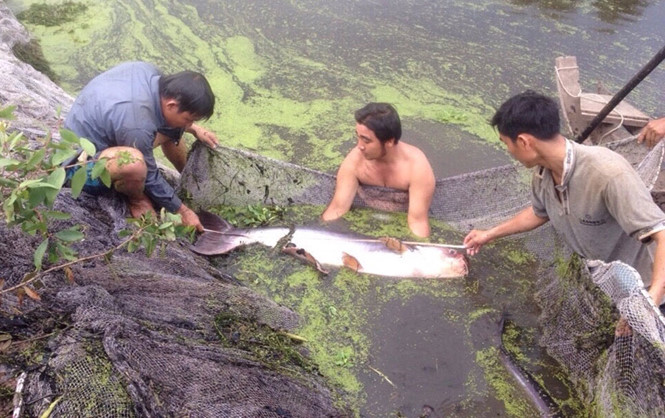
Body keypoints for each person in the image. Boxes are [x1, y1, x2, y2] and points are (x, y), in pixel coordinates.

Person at [463, 90, 665, 307]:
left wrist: (651, 299)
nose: (508, 151)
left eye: (506, 143)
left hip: (651, 289)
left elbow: (661, 233)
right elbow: (539, 212)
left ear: (523, 142)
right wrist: (489, 234)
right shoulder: (543, 173)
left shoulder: (608, 173)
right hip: (614, 286)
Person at [64, 61, 219, 231]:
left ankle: (186, 177)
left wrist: (194, 128)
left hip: (112, 130)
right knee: (134, 164)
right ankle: (136, 200)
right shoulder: (137, 124)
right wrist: (182, 211)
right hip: (79, 164)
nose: (189, 123)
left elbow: (164, 120)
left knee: (172, 126)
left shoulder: (150, 74)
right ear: (172, 105)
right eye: (189, 119)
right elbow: (150, 175)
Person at [321, 103, 435, 237]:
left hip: (400, 227)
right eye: (358, 137)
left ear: (390, 142)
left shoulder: (416, 166)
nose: (359, 146)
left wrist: (417, 252)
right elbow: (338, 208)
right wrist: (321, 235)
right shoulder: (355, 160)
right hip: (361, 226)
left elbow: (417, 222)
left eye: (366, 141)